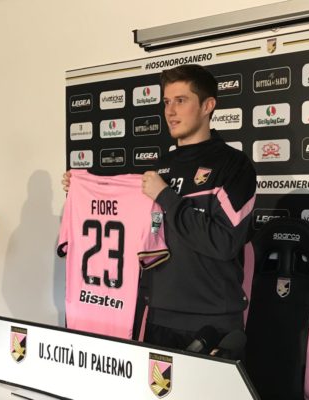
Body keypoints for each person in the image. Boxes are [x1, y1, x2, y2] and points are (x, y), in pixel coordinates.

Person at [63, 64, 256, 351]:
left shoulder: (234, 166)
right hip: (156, 317)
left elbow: (224, 242)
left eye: (181, 100)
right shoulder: (162, 166)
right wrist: (82, 192)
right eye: (166, 102)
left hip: (212, 322)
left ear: (208, 106)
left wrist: (166, 196)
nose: (170, 111)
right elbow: (136, 233)